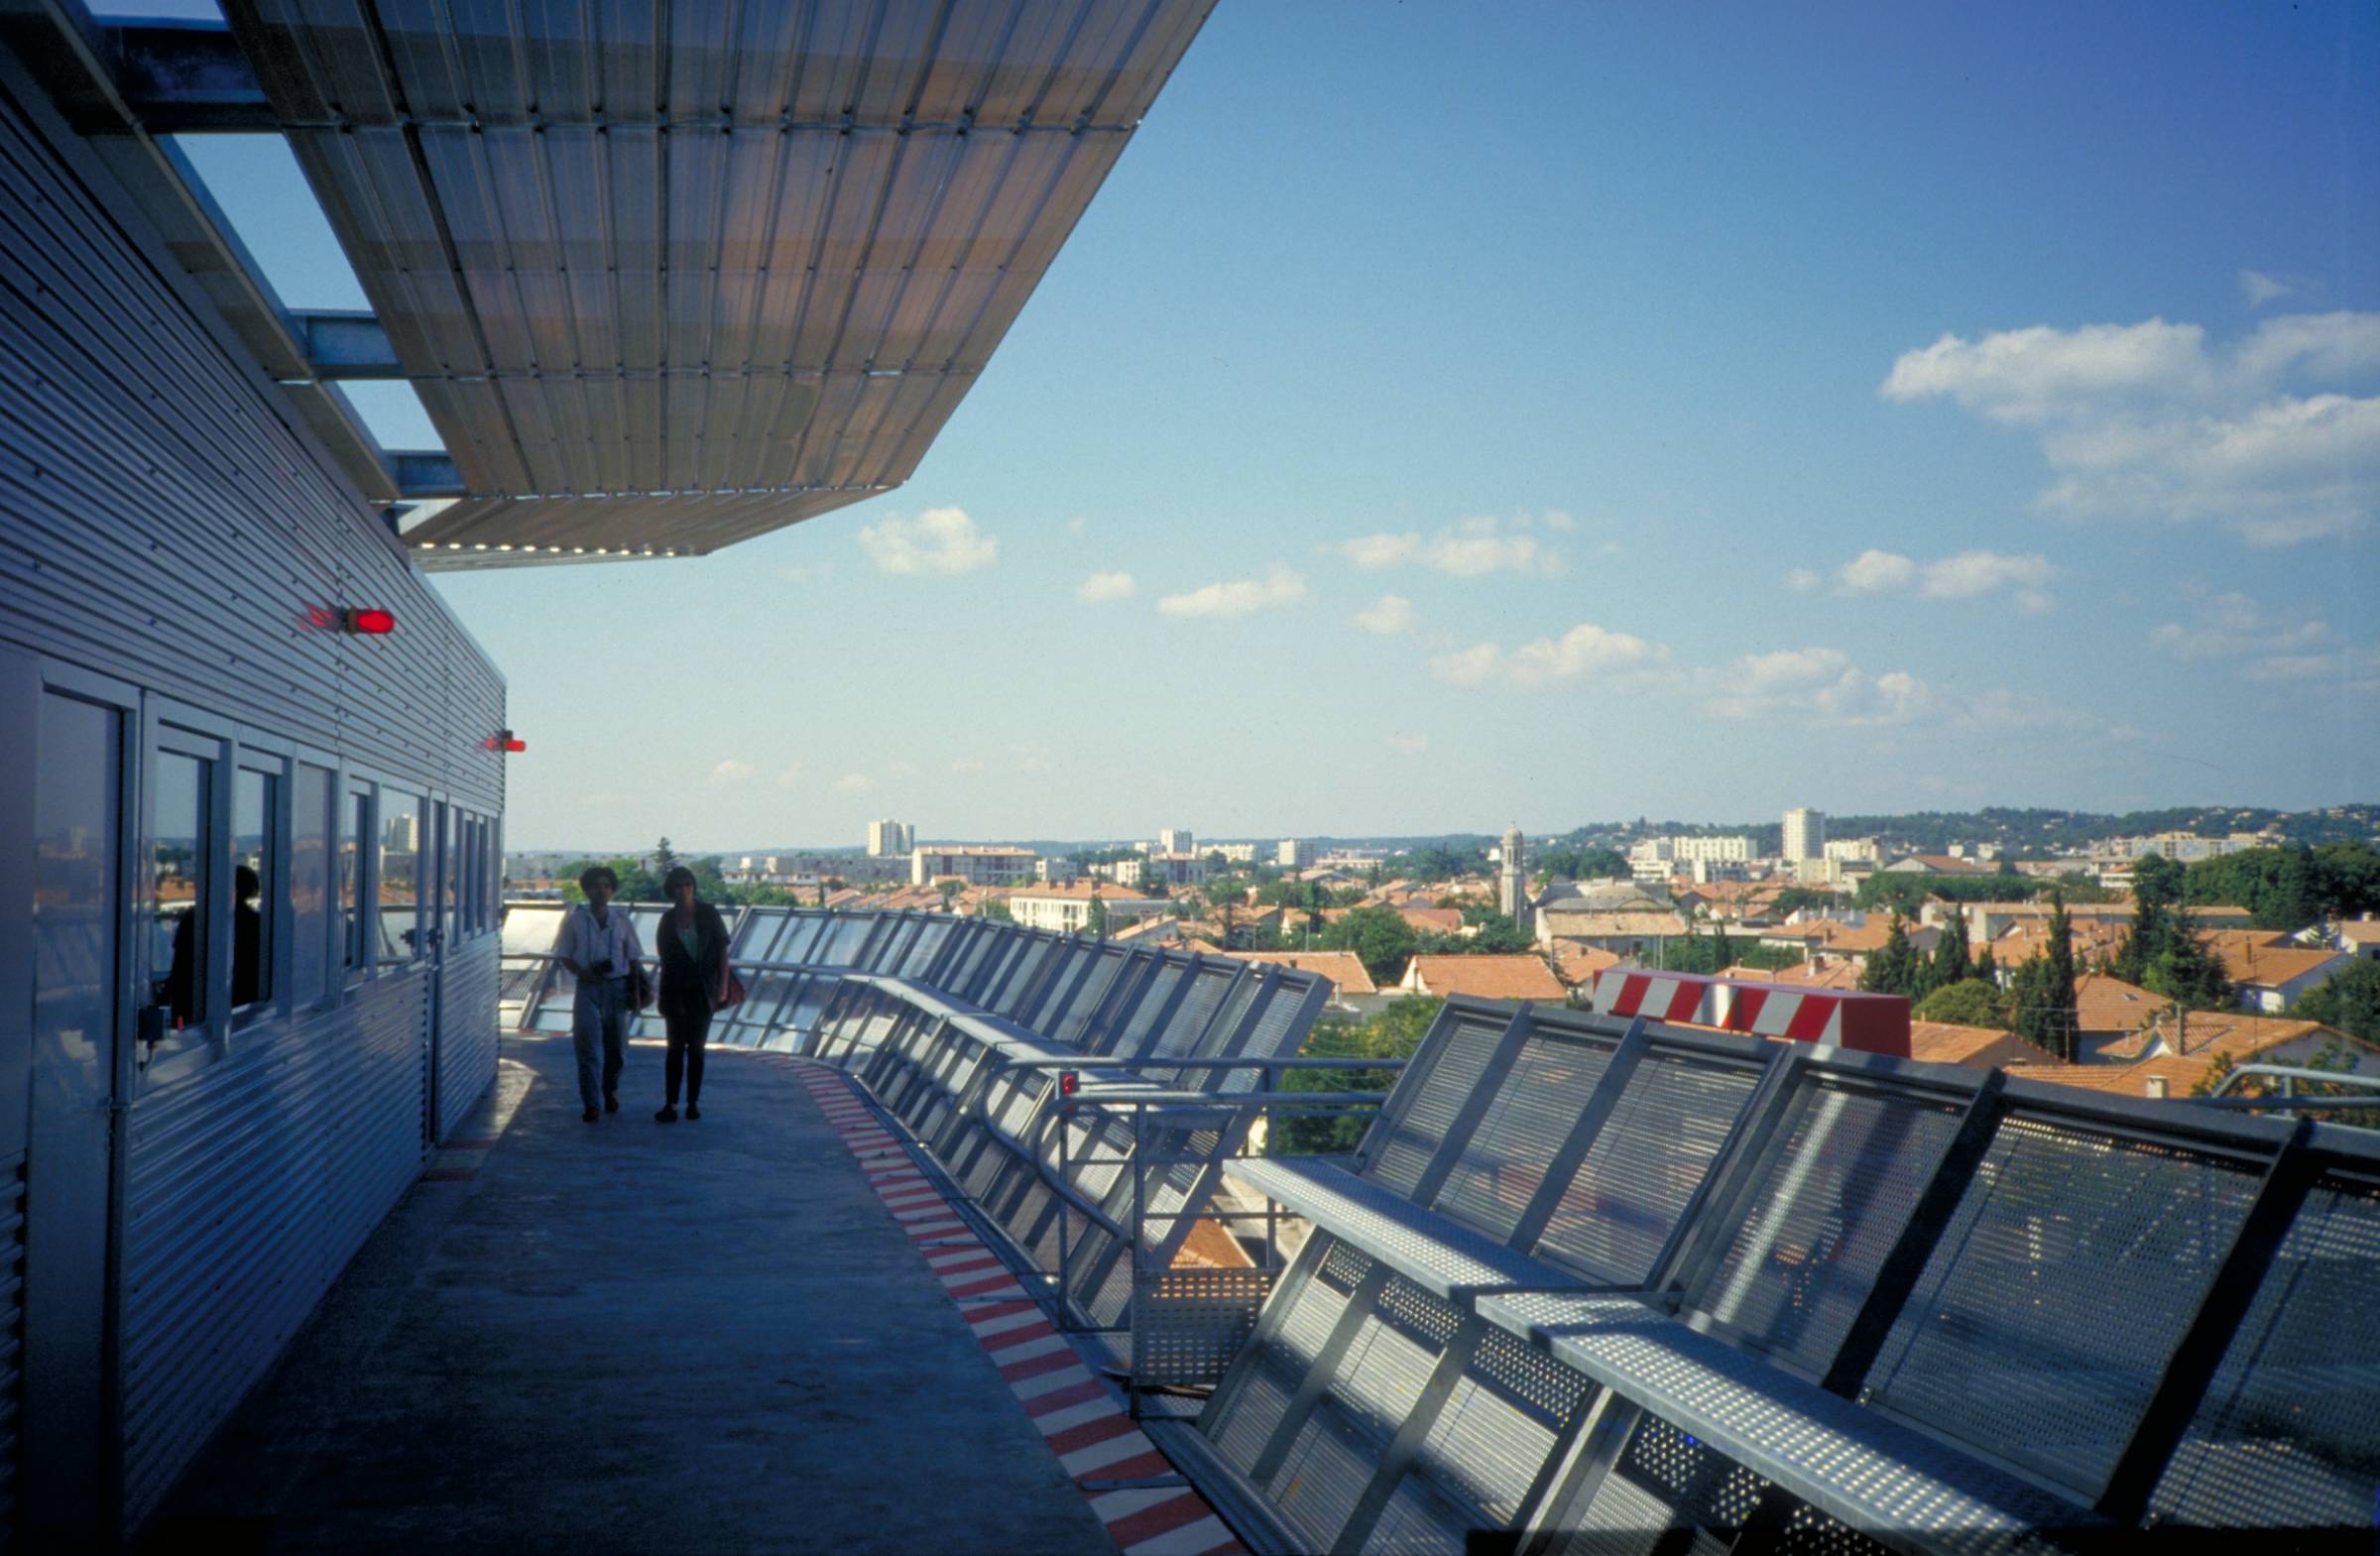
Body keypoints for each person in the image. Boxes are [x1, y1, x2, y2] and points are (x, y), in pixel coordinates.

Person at [551, 866, 644, 1123]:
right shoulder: (576, 921)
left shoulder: (621, 920)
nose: (601, 891)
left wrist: (636, 991)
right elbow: (564, 954)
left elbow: (633, 957)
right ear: (587, 890)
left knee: (618, 1049)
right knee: (588, 1048)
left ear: (612, 890)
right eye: (596, 886)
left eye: (606, 886)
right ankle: (591, 1103)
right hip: (588, 988)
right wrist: (582, 972)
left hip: (617, 988)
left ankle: (610, 1089)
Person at [653, 865, 730, 1122]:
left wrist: (723, 986)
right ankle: (671, 1104)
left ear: (694, 886)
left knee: (696, 1049)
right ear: (671, 890)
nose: (684, 889)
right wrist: (662, 995)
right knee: (675, 1048)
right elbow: (665, 961)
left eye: (688, 884)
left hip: (703, 990)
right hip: (675, 991)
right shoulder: (667, 920)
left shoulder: (708, 913)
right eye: (679, 885)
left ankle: (692, 1103)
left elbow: (722, 952)